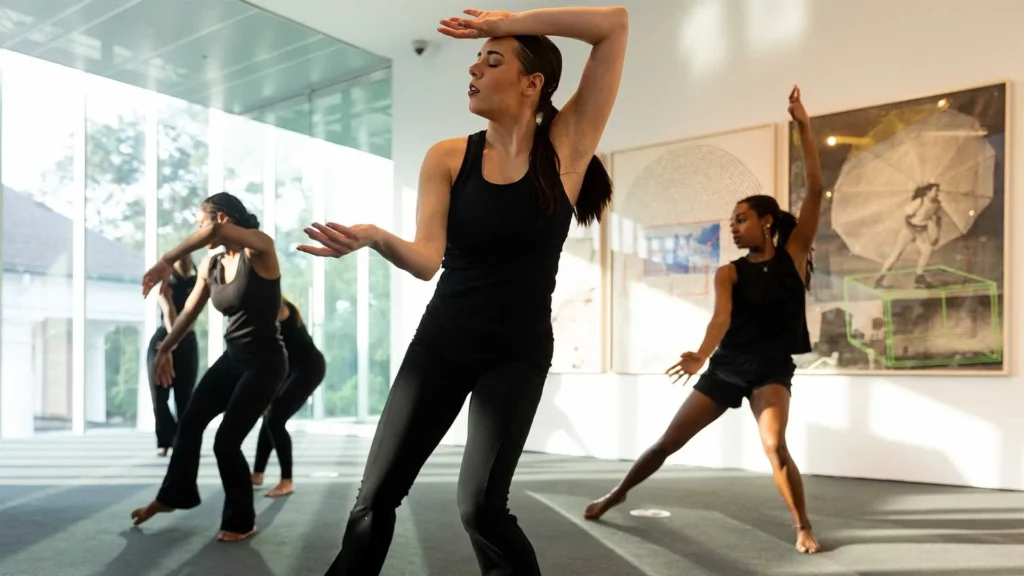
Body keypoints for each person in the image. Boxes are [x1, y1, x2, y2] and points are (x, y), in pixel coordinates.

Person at [299, 6, 628, 574]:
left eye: (491, 59)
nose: (474, 68)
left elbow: (614, 25)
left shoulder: (566, 151)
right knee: (374, 501)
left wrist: (510, 18)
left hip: (517, 353)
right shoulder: (449, 156)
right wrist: (376, 236)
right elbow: (428, 261)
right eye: (476, 58)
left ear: (533, 84)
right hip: (442, 343)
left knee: (480, 507)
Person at [584, 86, 825, 556]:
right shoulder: (727, 272)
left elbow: (815, 188)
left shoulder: (793, 259)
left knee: (774, 445)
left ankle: (802, 525)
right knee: (665, 444)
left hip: (771, 370)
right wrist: (701, 355)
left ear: (767, 223)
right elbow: (720, 321)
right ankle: (617, 493)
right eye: (731, 220)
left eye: (741, 219)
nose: (733, 227)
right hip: (728, 365)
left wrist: (803, 125)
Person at [130, 192, 287, 543]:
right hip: (234, 359)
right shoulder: (211, 265)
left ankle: (241, 520)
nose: (197, 232)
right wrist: (165, 349)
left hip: (265, 362)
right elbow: (188, 315)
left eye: (201, 223)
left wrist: (167, 260)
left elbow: (205, 235)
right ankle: (174, 496)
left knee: (225, 442)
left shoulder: (260, 249)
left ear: (223, 220)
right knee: (190, 421)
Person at [251, 297, 326, 498]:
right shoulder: (267, 307)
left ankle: (287, 481)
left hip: (309, 369)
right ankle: (257, 474)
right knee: (269, 417)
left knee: (275, 419)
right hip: (291, 370)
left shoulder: (276, 307)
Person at [148, 254, 199, 457]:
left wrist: (177, 341)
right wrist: (170, 344)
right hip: (163, 338)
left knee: (184, 397)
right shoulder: (165, 283)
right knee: (158, 395)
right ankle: (165, 439)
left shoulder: (198, 283)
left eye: (187, 261)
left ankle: (182, 440)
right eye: (181, 261)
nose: (185, 264)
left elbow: (191, 316)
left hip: (187, 339)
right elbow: (169, 311)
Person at [875, 183, 942, 288]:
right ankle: (880, 278)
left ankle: (919, 276)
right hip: (909, 230)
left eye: (938, 191)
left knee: (927, 250)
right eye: (935, 190)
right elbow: (907, 214)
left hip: (922, 231)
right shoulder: (920, 201)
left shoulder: (936, 204)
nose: (938, 193)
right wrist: (912, 225)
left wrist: (936, 235)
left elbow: (936, 219)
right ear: (928, 192)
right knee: (896, 253)